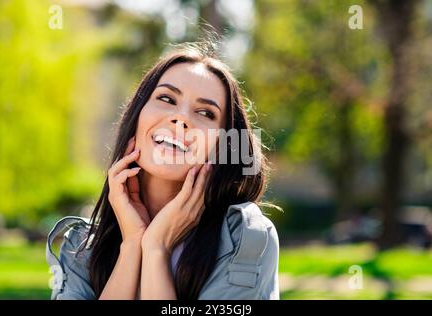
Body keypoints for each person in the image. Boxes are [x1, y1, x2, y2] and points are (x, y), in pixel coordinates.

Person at [46, 41, 280, 300]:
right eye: (167, 98)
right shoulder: (81, 247)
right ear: (137, 117)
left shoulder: (245, 239)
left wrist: (157, 248)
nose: (181, 119)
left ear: (222, 146)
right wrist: (133, 245)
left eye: (205, 113)